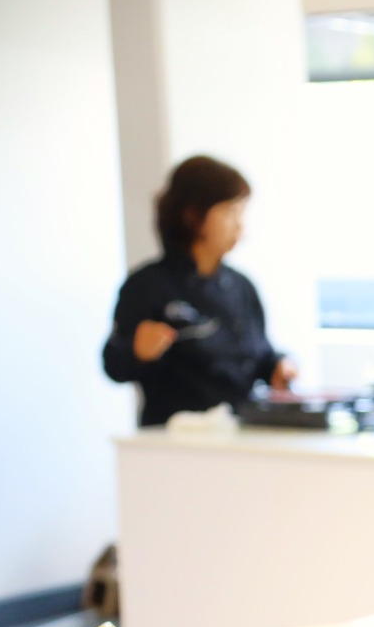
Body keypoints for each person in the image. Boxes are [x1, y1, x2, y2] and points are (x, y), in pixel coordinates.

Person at [103, 156, 295, 426]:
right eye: (230, 212)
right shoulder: (147, 285)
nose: (240, 225)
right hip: (175, 442)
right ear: (194, 216)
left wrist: (278, 366)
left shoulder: (242, 286)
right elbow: (113, 364)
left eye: (242, 213)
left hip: (241, 434)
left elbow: (260, 354)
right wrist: (138, 351)